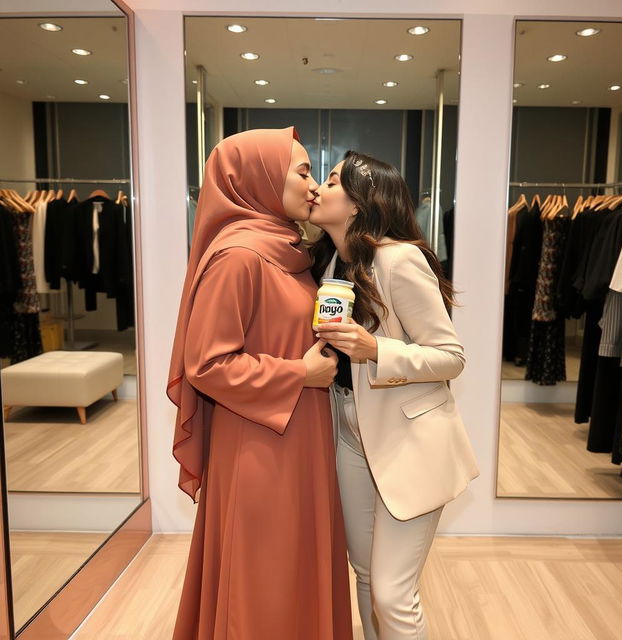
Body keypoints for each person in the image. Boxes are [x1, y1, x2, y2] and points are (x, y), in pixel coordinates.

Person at [167, 127, 353, 639]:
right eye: (302, 171)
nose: (314, 185)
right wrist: (301, 373)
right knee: (266, 576)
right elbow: (207, 364)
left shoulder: (286, 250)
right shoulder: (239, 257)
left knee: (293, 566)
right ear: (261, 178)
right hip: (260, 447)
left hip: (297, 437)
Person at [310, 151, 479, 640]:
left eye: (334, 179)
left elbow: (451, 357)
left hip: (410, 441)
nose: (320, 186)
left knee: (391, 593)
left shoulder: (398, 259)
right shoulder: (332, 265)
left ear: (361, 203)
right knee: (363, 574)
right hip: (350, 436)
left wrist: (375, 349)